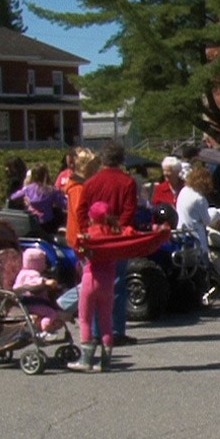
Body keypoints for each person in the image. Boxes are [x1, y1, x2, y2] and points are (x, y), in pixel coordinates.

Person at [80, 141, 140, 347]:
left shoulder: (90, 183)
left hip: (94, 238)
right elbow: (129, 211)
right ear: (121, 159)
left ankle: (96, 331)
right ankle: (114, 329)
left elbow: (81, 211)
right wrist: (119, 230)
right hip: (117, 239)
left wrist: (85, 233)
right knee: (116, 284)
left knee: (93, 282)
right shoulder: (127, 182)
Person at [9, 163, 67, 235]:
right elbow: (65, 204)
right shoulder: (52, 190)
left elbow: (13, 197)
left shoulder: (28, 188)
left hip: (31, 223)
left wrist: (24, 199)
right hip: (47, 224)